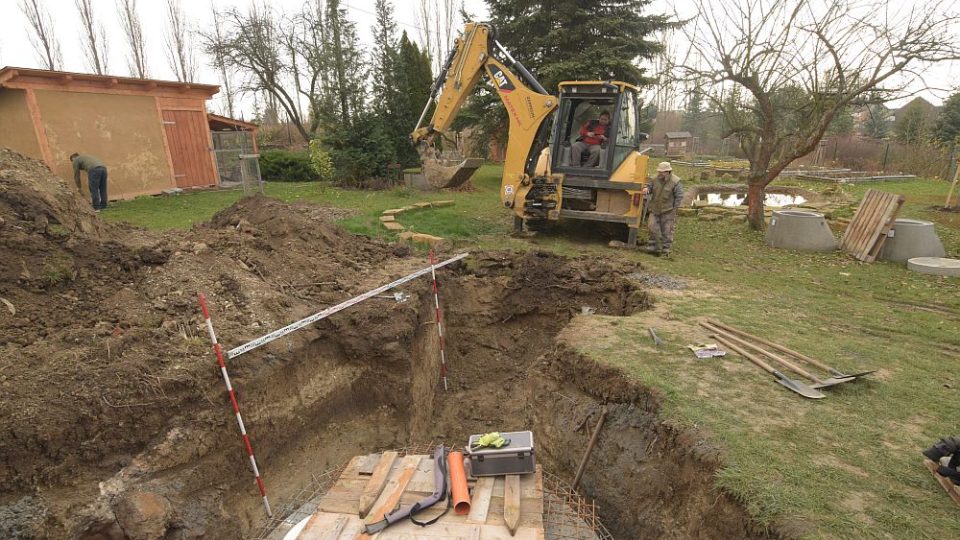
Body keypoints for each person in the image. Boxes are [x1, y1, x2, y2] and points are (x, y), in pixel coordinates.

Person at [642, 162, 683, 256]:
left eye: (662, 172)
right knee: (652, 227)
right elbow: (649, 186)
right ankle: (653, 247)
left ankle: (666, 249)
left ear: (668, 172)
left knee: (667, 230)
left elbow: (679, 196)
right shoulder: (654, 179)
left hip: (668, 210)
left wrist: (675, 210)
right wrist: (646, 189)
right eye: (659, 171)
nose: (660, 173)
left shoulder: (676, 182)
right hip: (654, 209)